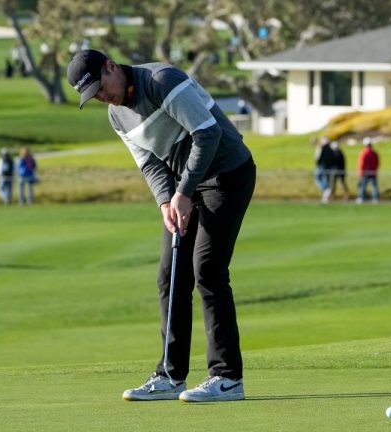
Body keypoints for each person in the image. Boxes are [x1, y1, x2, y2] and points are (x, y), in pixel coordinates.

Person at [67, 49, 255, 402]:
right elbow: (151, 164)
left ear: (111, 66)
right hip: (186, 187)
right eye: (92, 95)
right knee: (170, 275)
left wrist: (183, 191)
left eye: (100, 87)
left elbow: (207, 134)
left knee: (208, 271)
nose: (101, 97)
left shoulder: (161, 80)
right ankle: (170, 375)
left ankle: (227, 378)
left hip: (227, 173)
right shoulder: (116, 116)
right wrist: (166, 201)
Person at [356, 137, 379, 204]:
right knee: (374, 186)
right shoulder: (374, 153)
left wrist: (361, 172)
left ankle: (361, 198)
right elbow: (377, 163)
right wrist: (375, 169)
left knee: (363, 186)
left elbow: (361, 163)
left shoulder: (363, 153)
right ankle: (375, 198)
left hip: (365, 172)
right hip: (373, 172)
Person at [314, 136, 334, 204]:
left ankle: (326, 189)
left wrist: (317, 163)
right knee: (326, 180)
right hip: (329, 167)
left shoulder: (322, 148)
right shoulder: (331, 149)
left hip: (321, 166)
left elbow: (318, 158)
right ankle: (325, 197)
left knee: (318, 178)